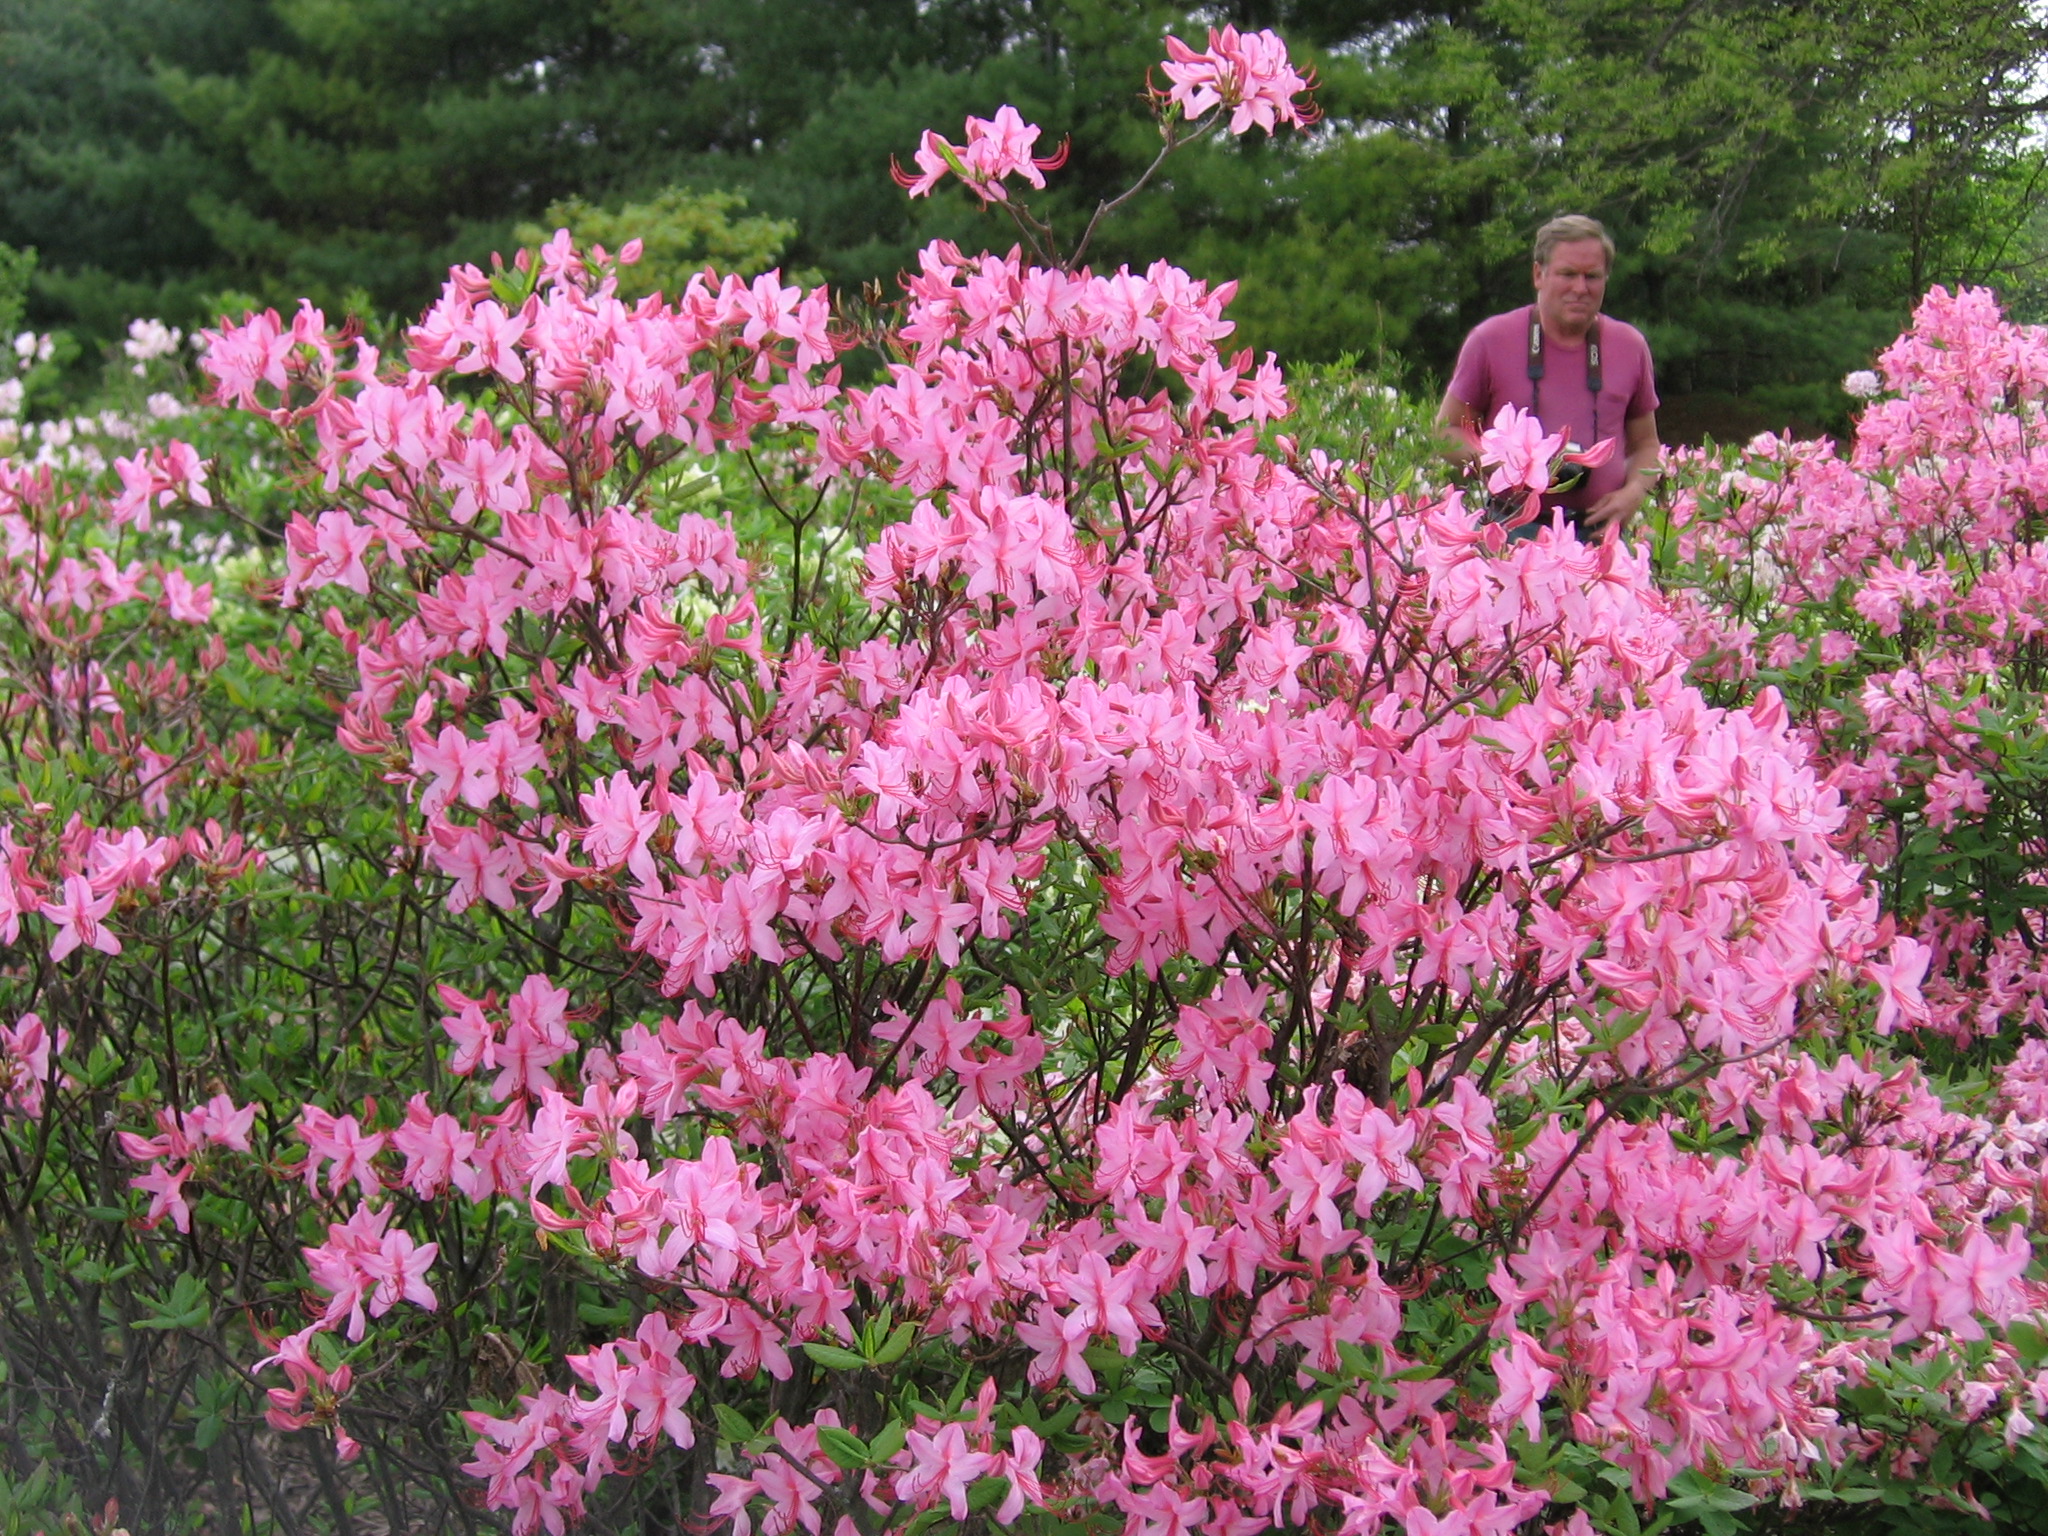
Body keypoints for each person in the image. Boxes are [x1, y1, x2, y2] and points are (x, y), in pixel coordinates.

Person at [1436, 214, 1662, 533]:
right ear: (1538, 274)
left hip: (1598, 534)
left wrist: (1633, 494)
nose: (1580, 288)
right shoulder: (1490, 340)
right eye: (1567, 274)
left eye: (1592, 276)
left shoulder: (1630, 346)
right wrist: (1507, 466)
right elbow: (1446, 433)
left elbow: (1646, 445)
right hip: (1513, 530)